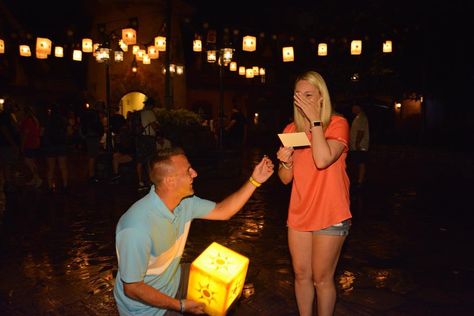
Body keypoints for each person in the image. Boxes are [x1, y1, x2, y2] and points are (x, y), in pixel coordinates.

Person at [113, 147, 274, 315]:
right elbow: (132, 288)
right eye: (187, 171)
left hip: (172, 278)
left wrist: (254, 181)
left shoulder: (184, 203)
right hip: (146, 309)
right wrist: (180, 305)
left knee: (219, 280)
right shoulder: (136, 228)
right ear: (170, 181)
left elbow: (222, 211)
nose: (195, 173)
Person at [276, 70, 352, 316]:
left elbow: (322, 159)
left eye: (309, 94)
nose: (302, 100)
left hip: (330, 212)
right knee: (301, 275)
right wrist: (285, 162)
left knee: (322, 278)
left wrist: (315, 122)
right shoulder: (291, 130)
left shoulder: (338, 124)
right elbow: (285, 179)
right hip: (299, 213)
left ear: (322, 97)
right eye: (298, 95)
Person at [19, 106, 42, 188]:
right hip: (34, 143)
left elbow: (25, 134)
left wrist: (22, 145)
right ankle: (35, 179)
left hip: (29, 143)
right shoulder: (34, 120)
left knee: (29, 162)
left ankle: (37, 178)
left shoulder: (27, 121)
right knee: (32, 162)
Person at [349, 104, 369, 187]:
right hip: (356, 146)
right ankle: (358, 180)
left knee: (360, 162)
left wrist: (357, 144)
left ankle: (360, 181)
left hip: (360, 146)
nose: (352, 109)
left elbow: (361, 131)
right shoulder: (358, 117)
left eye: (354, 107)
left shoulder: (361, 118)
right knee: (357, 162)